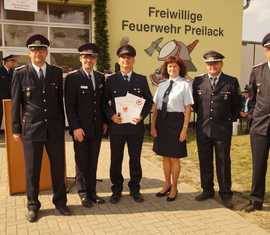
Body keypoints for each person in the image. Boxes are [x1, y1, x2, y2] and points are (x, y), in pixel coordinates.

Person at [11, 34, 71, 222]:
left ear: (46, 52)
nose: (38, 53)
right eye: (35, 50)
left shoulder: (55, 72)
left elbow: (60, 102)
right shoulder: (20, 73)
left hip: (54, 128)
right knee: (32, 170)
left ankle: (60, 202)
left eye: (42, 49)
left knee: (58, 167)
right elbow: (16, 103)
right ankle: (32, 205)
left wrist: (63, 125)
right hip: (32, 130)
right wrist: (15, 129)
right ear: (29, 53)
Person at [192, 51, 241, 208]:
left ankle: (225, 194)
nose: (212, 66)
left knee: (223, 162)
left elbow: (237, 106)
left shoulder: (231, 81)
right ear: (206, 65)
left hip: (222, 130)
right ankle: (207, 190)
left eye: (215, 63)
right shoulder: (198, 81)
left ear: (221, 64)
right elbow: (195, 105)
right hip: (203, 128)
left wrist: (226, 121)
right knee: (205, 160)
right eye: (209, 64)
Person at [104, 44, 153, 204]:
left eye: (129, 58)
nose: (126, 60)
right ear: (119, 60)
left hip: (135, 127)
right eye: (123, 58)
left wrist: (142, 116)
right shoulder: (111, 80)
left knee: (135, 159)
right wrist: (111, 116)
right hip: (117, 127)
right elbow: (104, 102)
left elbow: (148, 102)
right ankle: (116, 190)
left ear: (133, 60)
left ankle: (135, 189)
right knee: (116, 159)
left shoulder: (141, 79)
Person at [65, 43, 106, 207]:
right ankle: (83, 193)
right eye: (85, 57)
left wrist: (104, 122)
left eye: (91, 57)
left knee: (93, 160)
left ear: (95, 60)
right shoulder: (73, 78)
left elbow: (102, 103)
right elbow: (69, 105)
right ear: (80, 58)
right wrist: (75, 127)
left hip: (96, 128)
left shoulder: (100, 77)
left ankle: (92, 192)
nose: (88, 60)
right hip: (80, 129)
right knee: (81, 161)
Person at [151, 56, 193, 201]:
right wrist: (152, 126)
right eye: (169, 67)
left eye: (175, 66)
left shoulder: (185, 85)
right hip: (162, 123)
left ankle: (175, 187)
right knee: (165, 156)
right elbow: (155, 107)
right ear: (166, 69)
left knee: (174, 157)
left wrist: (184, 129)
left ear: (180, 68)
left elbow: (188, 109)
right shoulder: (162, 84)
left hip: (176, 122)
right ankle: (167, 183)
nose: (172, 69)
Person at [243, 33, 270, 212]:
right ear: (265, 50)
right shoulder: (257, 70)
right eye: (269, 48)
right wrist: (253, 116)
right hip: (260, 126)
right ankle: (256, 200)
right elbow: (250, 97)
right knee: (259, 164)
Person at [0, 55, 17, 132]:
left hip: (10, 98)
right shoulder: (0, 70)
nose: (13, 63)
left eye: (14, 61)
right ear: (6, 62)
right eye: (12, 61)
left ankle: (10, 132)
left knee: (11, 116)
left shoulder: (13, 72)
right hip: (0, 98)